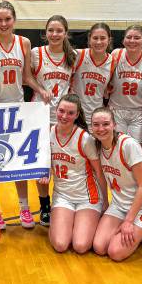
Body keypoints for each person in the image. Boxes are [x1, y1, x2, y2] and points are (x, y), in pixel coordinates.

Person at [0, 1, 50, 230]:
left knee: (20, 162)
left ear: (14, 20)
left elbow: (27, 76)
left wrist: (40, 90)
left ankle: (24, 207)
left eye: (7, 19)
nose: (3, 23)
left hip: (18, 108)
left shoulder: (24, 42)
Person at [91, 107, 142, 261]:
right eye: (96, 125)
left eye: (105, 124)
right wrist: (105, 205)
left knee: (115, 252)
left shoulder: (128, 145)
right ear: (91, 127)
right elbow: (102, 179)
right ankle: (136, 231)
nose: (101, 128)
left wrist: (129, 221)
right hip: (119, 205)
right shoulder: (97, 147)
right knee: (99, 246)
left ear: (114, 125)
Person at [38, 94, 107, 254]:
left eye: (70, 113)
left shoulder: (85, 139)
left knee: (81, 246)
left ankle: (85, 221)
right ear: (56, 110)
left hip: (87, 197)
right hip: (63, 196)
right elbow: (43, 159)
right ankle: (66, 223)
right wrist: (45, 171)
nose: (64, 116)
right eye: (61, 111)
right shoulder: (48, 133)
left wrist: (105, 202)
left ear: (77, 115)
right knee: (61, 245)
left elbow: (99, 171)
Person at [31, 15, 77, 226]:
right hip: (39, 115)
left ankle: (63, 200)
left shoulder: (73, 56)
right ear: (45, 32)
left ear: (65, 33)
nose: (54, 34)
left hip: (63, 119)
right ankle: (45, 205)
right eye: (51, 30)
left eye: (59, 31)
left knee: (61, 162)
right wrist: (40, 89)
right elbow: (25, 77)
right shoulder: (36, 53)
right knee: (42, 165)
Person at [107, 25, 142, 143]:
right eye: (129, 37)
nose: (132, 41)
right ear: (123, 40)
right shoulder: (116, 54)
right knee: (116, 146)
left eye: (137, 38)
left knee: (135, 149)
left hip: (140, 111)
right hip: (116, 109)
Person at [71, 22, 116, 130]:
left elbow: (108, 89)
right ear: (89, 39)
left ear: (109, 40)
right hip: (76, 115)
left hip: (96, 117)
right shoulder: (78, 55)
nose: (99, 42)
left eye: (103, 38)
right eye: (95, 38)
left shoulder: (113, 62)